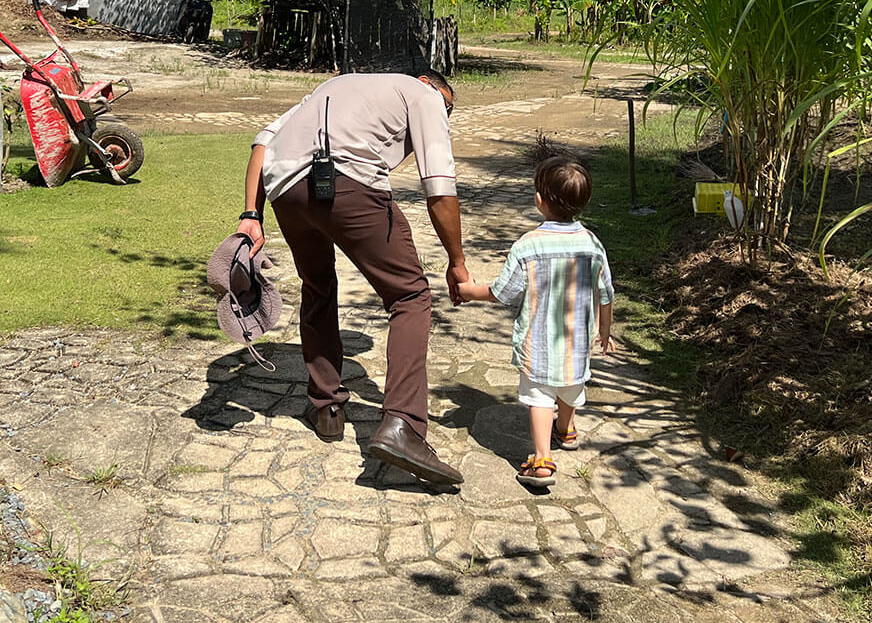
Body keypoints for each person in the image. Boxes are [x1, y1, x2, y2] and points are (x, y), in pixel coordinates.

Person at [237, 69, 469, 486]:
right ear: (429, 82)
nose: (444, 116)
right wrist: (457, 260)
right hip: (347, 182)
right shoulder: (425, 93)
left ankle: (326, 408)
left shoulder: (336, 85)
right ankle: (404, 426)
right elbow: (439, 187)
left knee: (318, 285)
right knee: (410, 297)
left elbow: (262, 142)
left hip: (284, 190)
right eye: (448, 108)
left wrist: (250, 215)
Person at [456, 157, 614, 487]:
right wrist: (604, 331)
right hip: (577, 342)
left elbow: (504, 292)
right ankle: (565, 431)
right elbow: (606, 293)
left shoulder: (528, 245)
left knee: (540, 397)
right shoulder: (592, 244)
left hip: (538, 343)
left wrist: (471, 291)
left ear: (539, 200)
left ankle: (542, 460)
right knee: (570, 387)